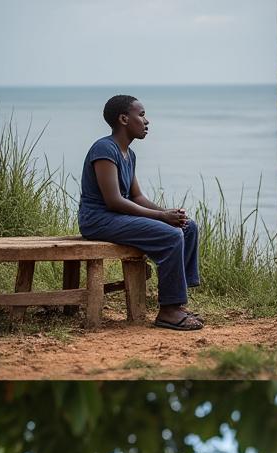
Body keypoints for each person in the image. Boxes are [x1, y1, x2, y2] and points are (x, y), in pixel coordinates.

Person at [79, 95, 202, 331]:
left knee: (187, 227)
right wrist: (161, 218)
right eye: (142, 115)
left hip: (116, 217)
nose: (147, 121)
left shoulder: (128, 154)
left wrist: (167, 212)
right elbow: (114, 201)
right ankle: (168, 311)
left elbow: (136, 197)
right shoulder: (104, 148)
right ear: (124, 119)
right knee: (171, 235)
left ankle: (178, 302)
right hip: (98, 219)